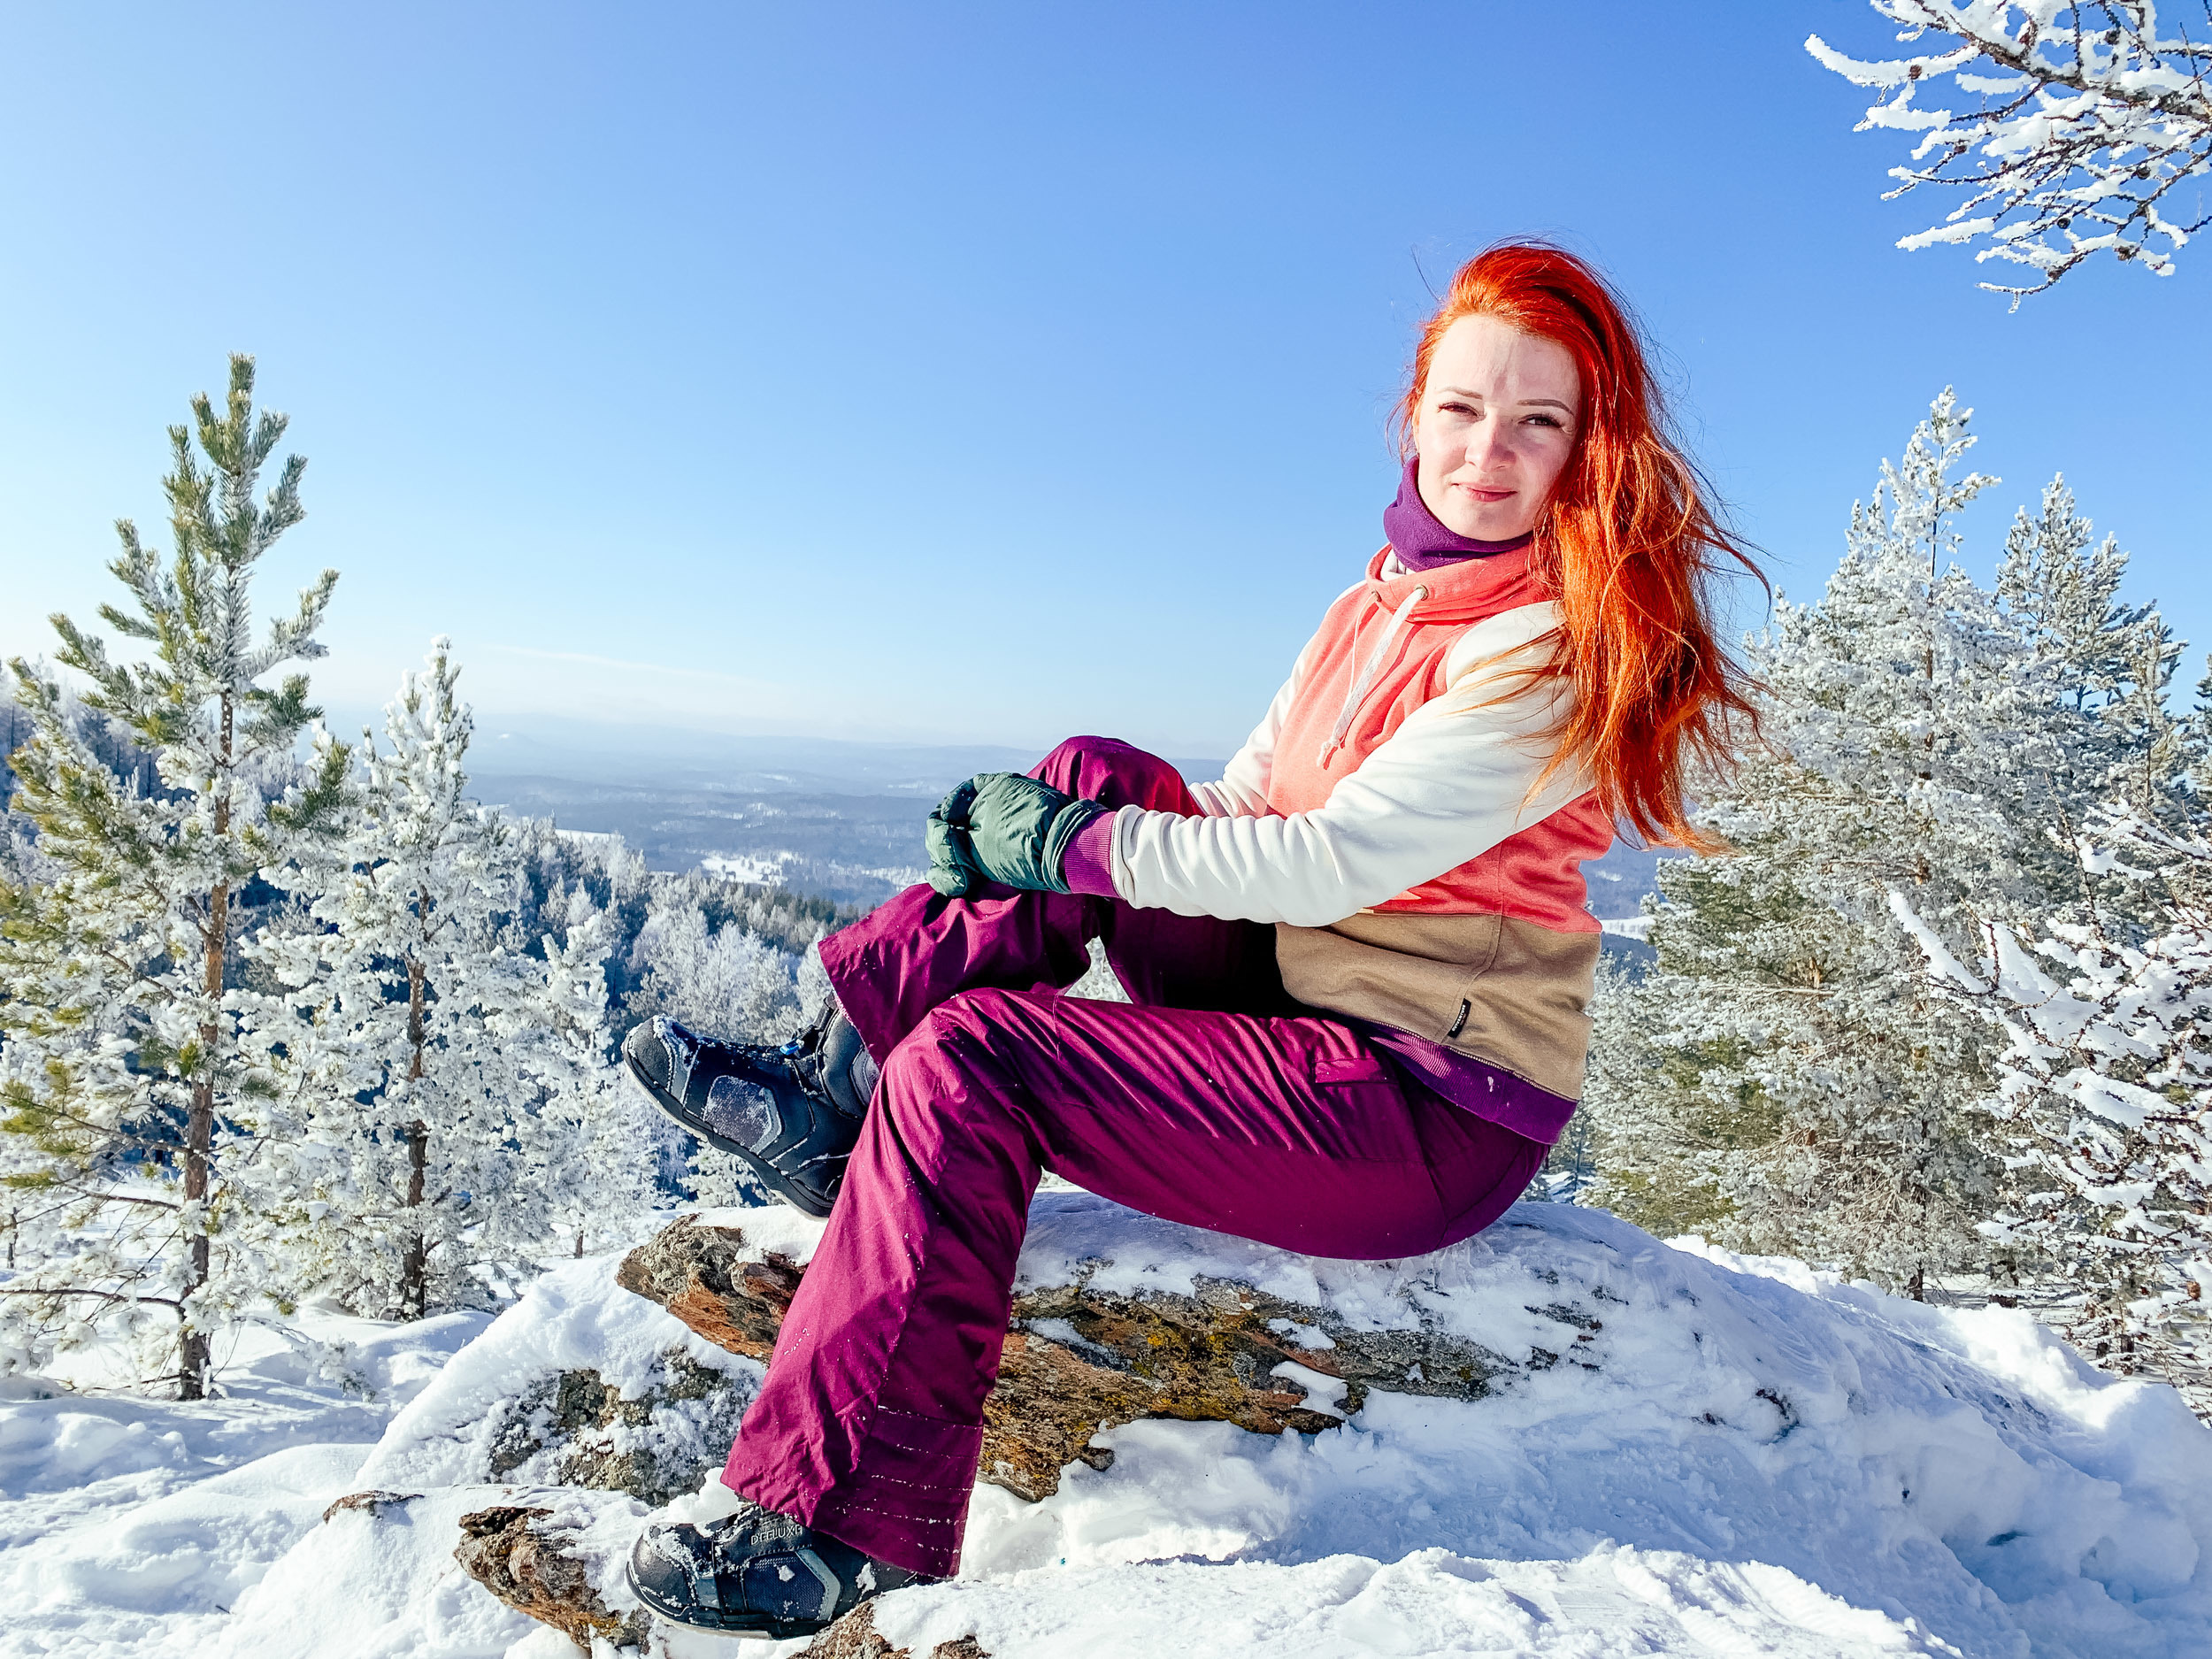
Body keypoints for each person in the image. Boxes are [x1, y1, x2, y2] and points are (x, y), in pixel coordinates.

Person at [618, 242, 1761, 1639]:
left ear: (1589, 449)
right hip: (1303, 1000)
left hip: (1423, 1104)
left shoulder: (1548, 650)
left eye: (1538, 421)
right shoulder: (1374, 604)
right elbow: (1244, 808)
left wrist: (1068, 850)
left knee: (980, 1060)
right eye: (1463, 408)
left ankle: (845, 1522)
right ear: (1413, 414)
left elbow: (1334, 857)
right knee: (1099, 772)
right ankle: (841, 1093)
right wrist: (1062, 826)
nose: (1488, 451)